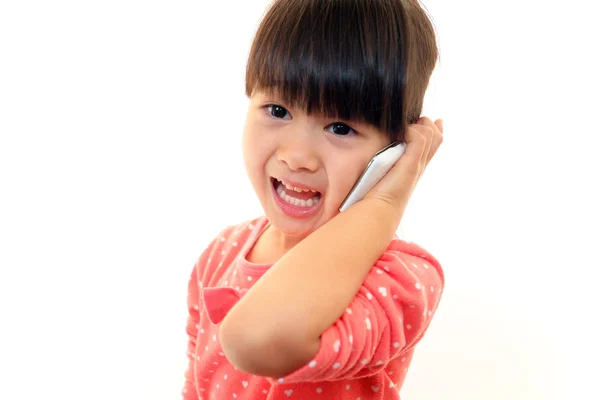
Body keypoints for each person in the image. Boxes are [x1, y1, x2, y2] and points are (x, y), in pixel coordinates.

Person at [182, 0, 444, 398]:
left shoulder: (401, 278)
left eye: (340, 127)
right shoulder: (220, 254)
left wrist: (387, 203)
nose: (296, 157)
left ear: (394, 152)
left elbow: (256, 338)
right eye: (278, 110)